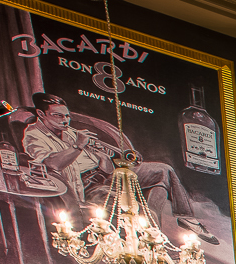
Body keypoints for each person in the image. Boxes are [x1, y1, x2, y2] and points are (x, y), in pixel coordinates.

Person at [22, 93, 218, 246]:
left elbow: (106, 166)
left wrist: (110, 155)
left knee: (163, 171)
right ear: (41, 114)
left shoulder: (70, 132)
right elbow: (52, 164)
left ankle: (186, 218)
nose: (65, 121)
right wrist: (78, 146)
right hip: (87, 187)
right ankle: (154, 244)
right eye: (58, 116)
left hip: (106, 174)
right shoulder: (33, 135)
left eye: (67, 116)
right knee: (138, 208)